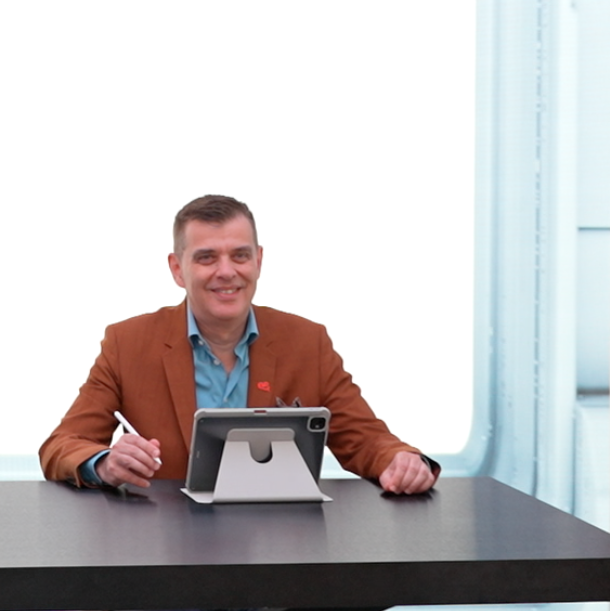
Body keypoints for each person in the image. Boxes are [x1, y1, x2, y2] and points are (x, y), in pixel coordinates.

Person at [39, 193, 437, 495]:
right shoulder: (127, 343)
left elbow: (366, 439)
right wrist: (105, 463)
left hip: (278, 550)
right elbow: (61, 446)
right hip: (166, 551)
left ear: (259, 261)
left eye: (240, 255)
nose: (226, 272)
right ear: (177, 269)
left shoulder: (307, 342)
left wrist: (400, 461)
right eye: (207, 258)